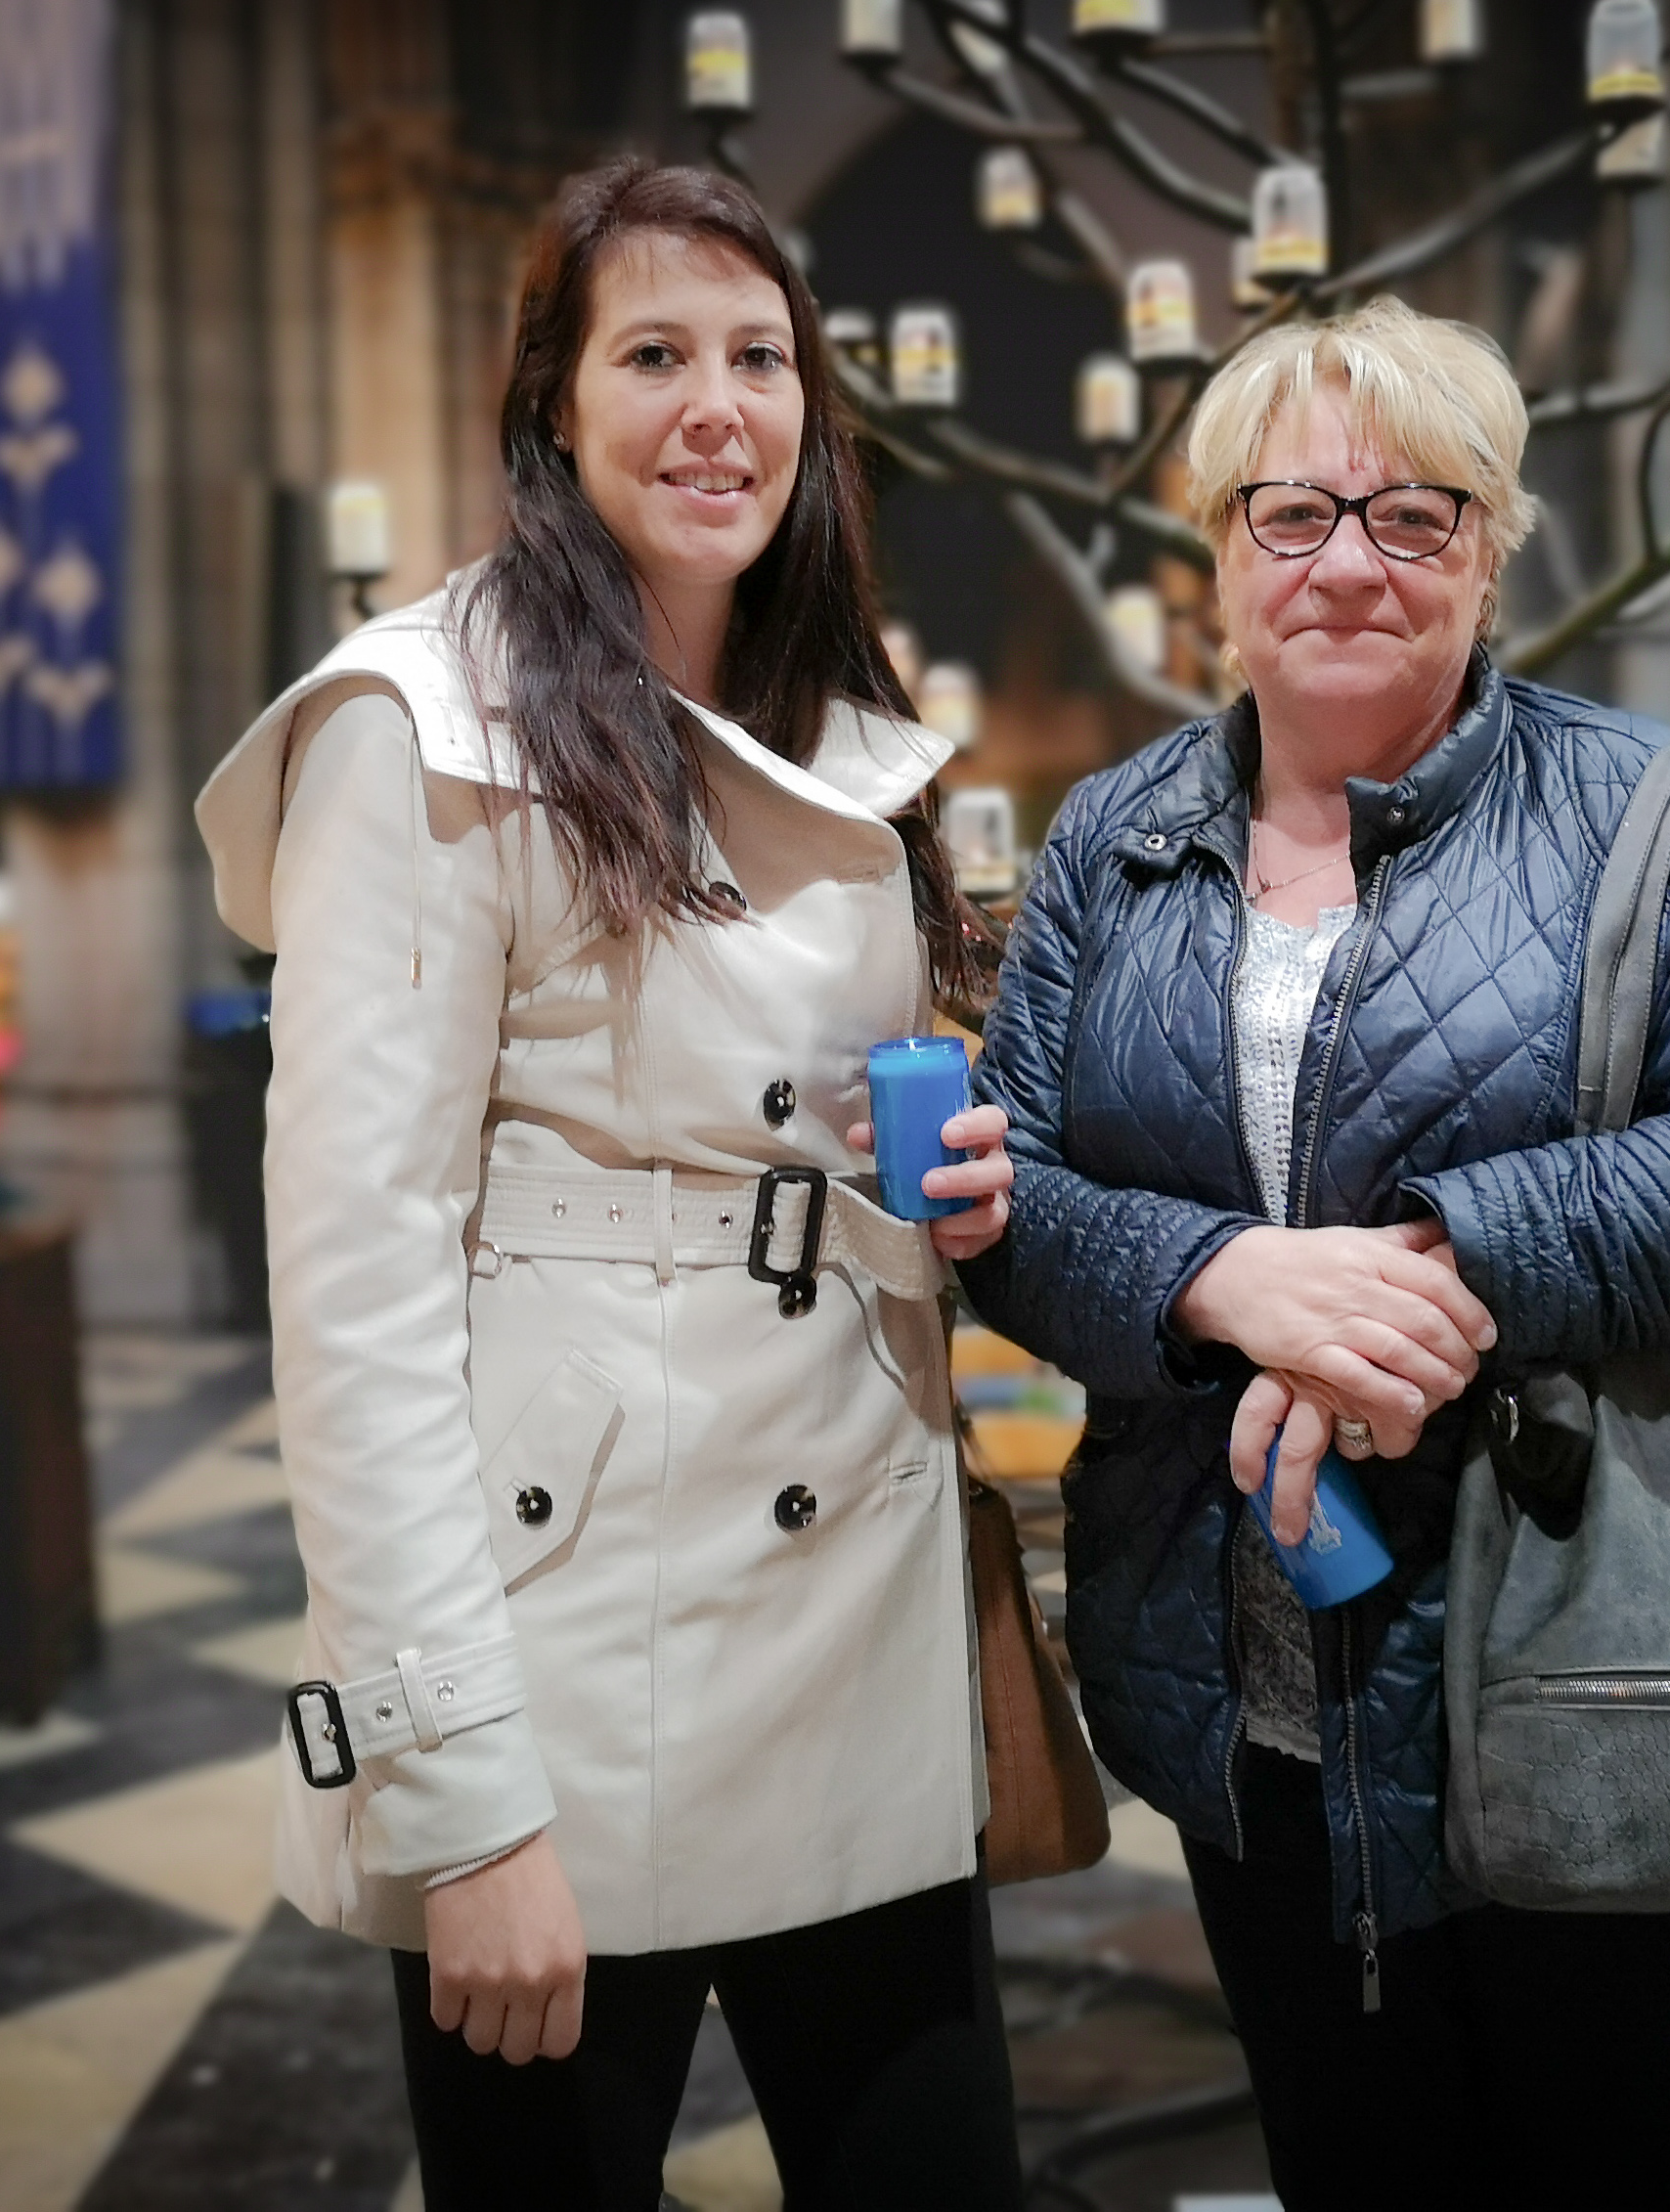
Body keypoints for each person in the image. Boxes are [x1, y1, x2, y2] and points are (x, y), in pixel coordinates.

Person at [956, 297, 1670, 2209]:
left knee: (1615, 2173)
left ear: (1491, 541)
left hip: (1593, 1650)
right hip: (1240, 1674)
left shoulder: (1663, 822)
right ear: (1218, 547)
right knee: (1347, 2161)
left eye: (1416, 514)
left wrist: (1445, 1271)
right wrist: (1229, 1279)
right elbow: (1008, 1212)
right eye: (1293, 512)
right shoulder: (1109, 841)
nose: (1350, 561)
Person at [194, 157, 1025, 2212]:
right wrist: (462, 1807)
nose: (716, 406)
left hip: (843, 1625)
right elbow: (360, 1296)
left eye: (761, 359)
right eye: (653, 354)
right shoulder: (423, 727)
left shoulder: (842, 719)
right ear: (552, 408)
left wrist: (944, 1191)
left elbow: (800, 1138)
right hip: (558, 1674)